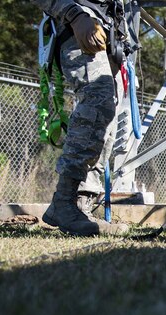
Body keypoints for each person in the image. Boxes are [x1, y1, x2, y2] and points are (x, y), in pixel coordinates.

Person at [35, 0, 128, 236]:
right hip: (79, 21)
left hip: (106, 28)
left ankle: (79, 206)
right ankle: (64, 201)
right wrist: (74, 14)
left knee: (108, 114)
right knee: (98, 99)